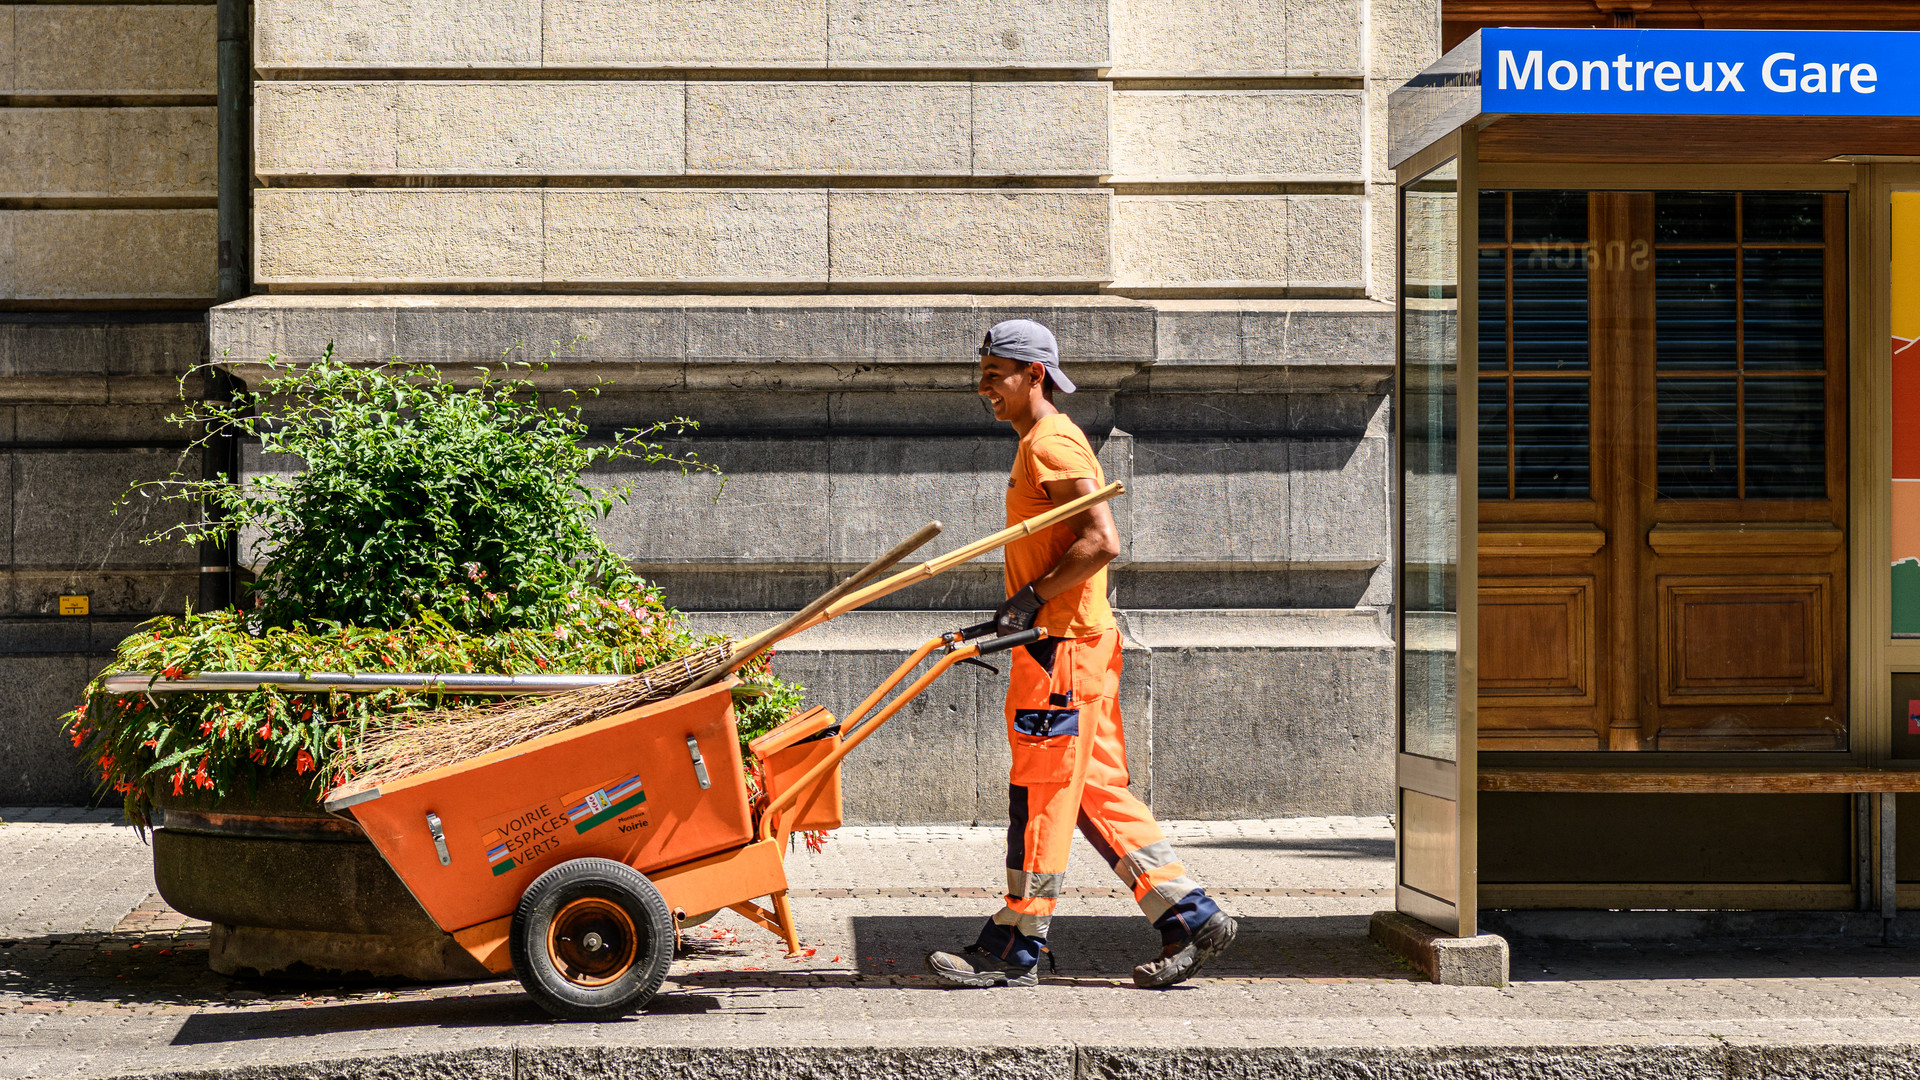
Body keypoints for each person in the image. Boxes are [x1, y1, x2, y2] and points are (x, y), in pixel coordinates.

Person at [925, 318, 1237, 990]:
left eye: (994, 375)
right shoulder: (1043, 440)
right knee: (1094, 791)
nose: (984, 389)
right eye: (981, 375)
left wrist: (1031, 598)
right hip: (1073, 644)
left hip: (1061, 652)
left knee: (1041, 793)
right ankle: (1192, 915)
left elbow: (1101, 540)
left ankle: (1015, 946)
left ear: (1032, 374)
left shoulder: (1051, 445)